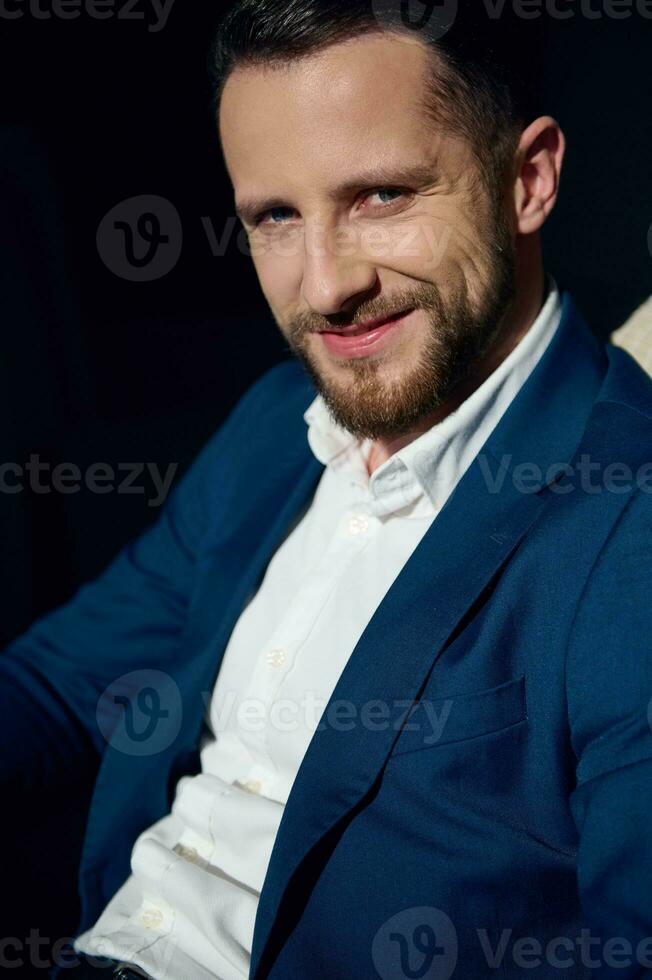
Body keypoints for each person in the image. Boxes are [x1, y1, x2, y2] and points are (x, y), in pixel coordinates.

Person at [2, 2, 652, 978]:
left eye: (379, 197)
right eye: (275, 216)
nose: (323, 287)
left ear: (527, 179)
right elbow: (57, 681)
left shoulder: (627, 519)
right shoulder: (276, 421)